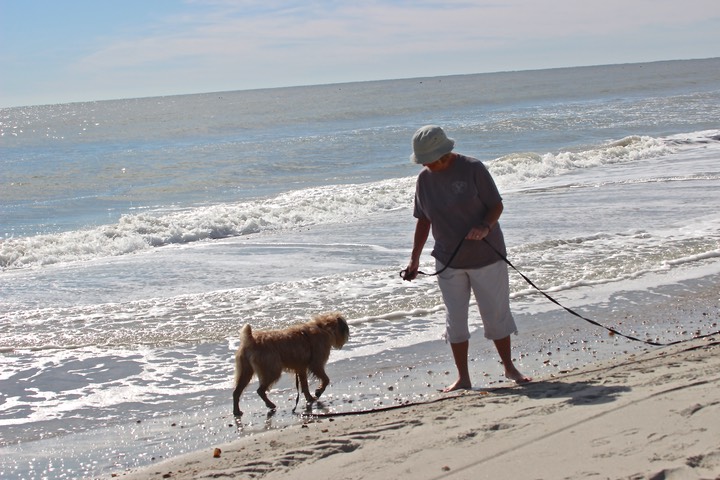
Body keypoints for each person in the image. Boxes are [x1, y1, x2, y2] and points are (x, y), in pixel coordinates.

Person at [402, 125, 531, 392]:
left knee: (495, 315)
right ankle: (463, 377)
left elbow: (496, 205)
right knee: (455, 320)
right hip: (448, 259)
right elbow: (423, 220)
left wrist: (484, 226)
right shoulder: (423, 180)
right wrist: (414, 260)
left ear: (444, 154)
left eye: (429, 160)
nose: (425, 164)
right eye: (422, 160)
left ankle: (509, 367)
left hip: (487, 255)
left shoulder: (473, 168)